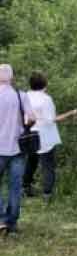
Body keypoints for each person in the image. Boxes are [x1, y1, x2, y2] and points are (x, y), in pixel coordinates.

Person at [23, 72, 77, 200]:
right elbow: (52, 119)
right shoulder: (46, 99)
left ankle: (25, 188)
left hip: (29, 134)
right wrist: (71, 113)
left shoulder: (25, 96)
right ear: (45, 84)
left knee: (31, 162)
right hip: (44, 136)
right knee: (48, 165)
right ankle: (47, 194)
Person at [0, 64, 33, 233]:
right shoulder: (21, 95)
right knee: (15, 186)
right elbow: (32, 118)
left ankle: (1, 219)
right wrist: (24, 126)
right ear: (11, 77)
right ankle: (11, 223)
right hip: (19, 147)